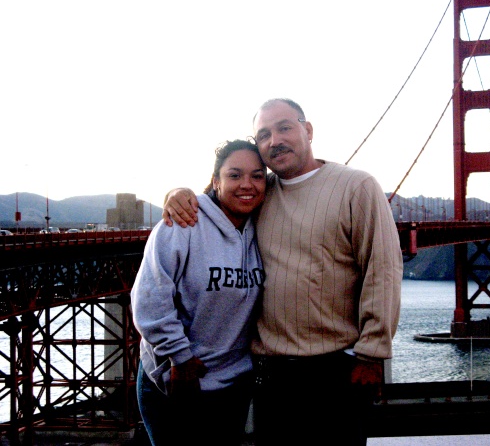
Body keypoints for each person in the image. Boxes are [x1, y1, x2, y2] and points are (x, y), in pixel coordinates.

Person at [163, 98, 403, 446]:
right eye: (263, 134)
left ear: (307, 131)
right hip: (270, 373)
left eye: (284, 128)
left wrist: (372, 354)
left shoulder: (357, 186)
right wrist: (175, 193)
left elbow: (382, 271)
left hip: (336, 370)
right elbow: (214, 202)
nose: (274, 140)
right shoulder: (260, 192)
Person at [132, 139, 267, 446]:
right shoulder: (182, 223)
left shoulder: (265, 224)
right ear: (215, 181)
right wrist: (180, 359)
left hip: (233, 384)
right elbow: (150, 300)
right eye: (234, 175)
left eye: (257, 175)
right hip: (177, 382)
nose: (247, 184)